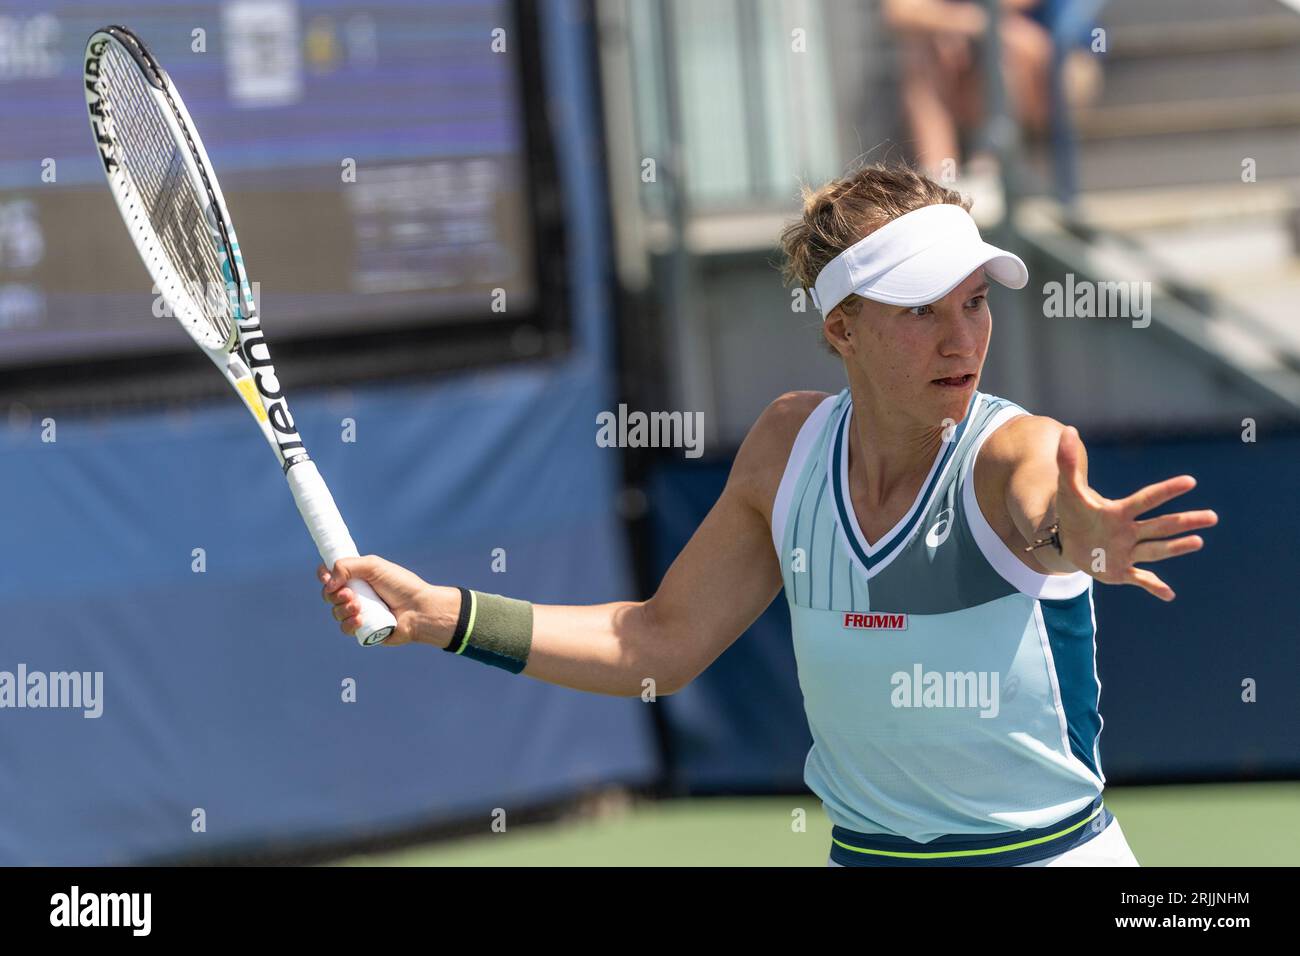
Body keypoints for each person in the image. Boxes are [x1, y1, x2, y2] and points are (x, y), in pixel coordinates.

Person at [317, 163, 1216, 867]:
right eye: (920, 311)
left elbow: (1048, 509)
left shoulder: (1012, 453)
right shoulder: (788, 446)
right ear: (842, 328)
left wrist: (1084, 538)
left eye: (975, 303)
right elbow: (656, 646)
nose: (963, 339)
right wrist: (443, 616)